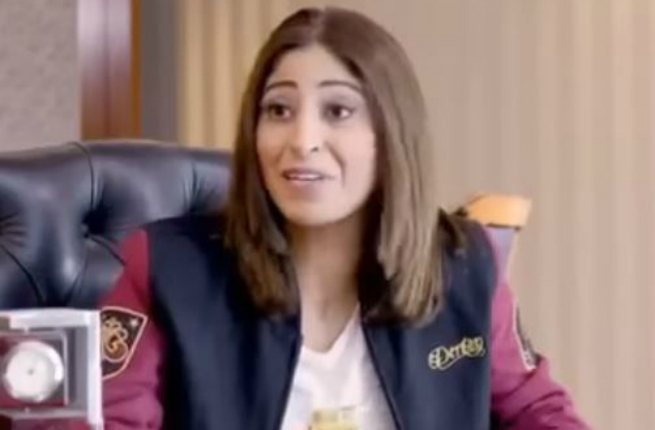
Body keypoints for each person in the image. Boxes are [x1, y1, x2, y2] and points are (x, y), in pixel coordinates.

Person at [96, 7, 590, 430]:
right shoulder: (167, 268)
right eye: (279, 110)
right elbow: (104, 420)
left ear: (390, 135)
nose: (302, 140)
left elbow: (539, 412)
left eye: (337, 111)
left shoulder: (464, 266)